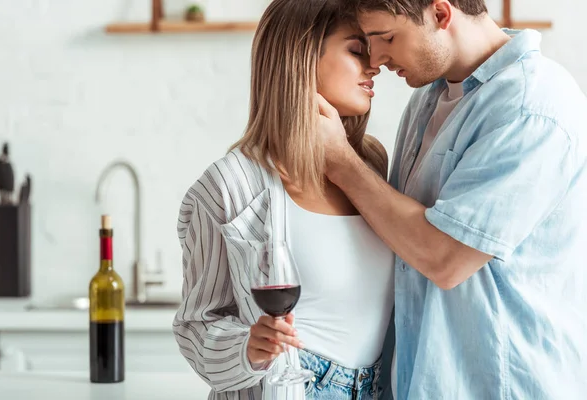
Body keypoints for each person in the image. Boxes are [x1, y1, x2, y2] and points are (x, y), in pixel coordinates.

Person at [318, 0, 587, 399]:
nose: (377, 59)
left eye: (387, 37)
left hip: (503, 386)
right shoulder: (429, 97)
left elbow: (446, 260)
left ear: (441, 14)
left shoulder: (532, 106)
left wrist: (341, 162)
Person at [173, 0, 396, 399]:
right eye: (356, 50)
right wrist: (248, 348)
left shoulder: (371, 164)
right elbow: (197, 324)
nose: (375, 64)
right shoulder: (231, 184)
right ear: (301, 56)